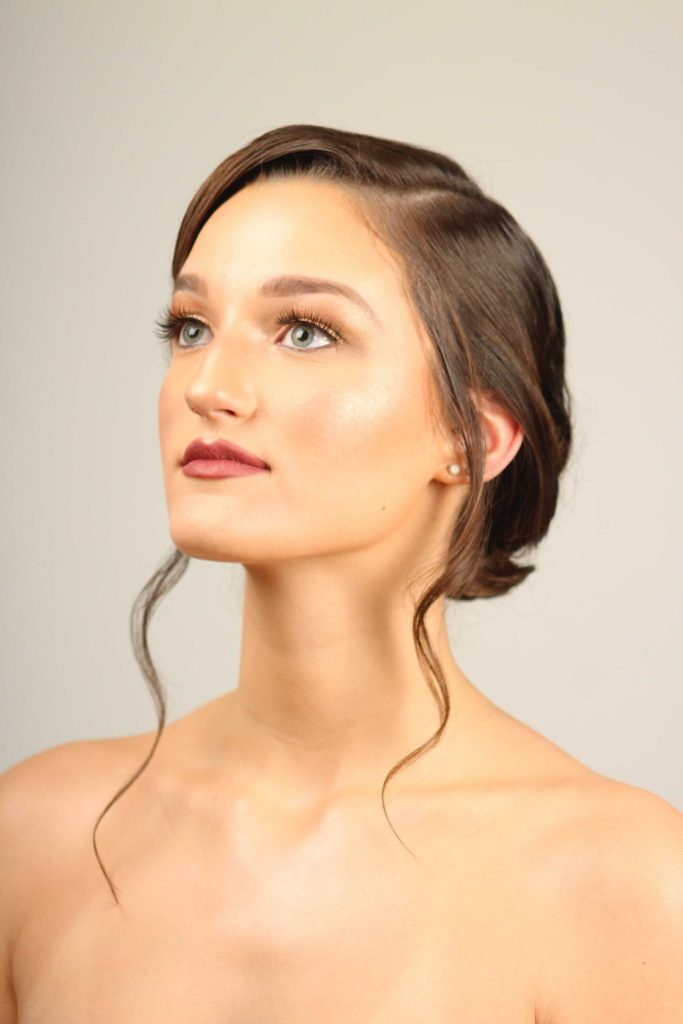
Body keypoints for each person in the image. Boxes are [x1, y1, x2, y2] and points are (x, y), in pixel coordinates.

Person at [1, 123, 681, 1022]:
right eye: (191, 327)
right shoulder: (33, 834)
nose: (206, 385)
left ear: (473, 438)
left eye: (305, 332)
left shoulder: (625, 884)